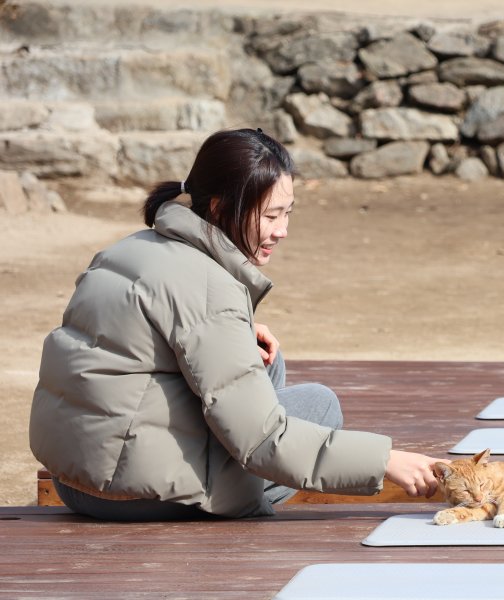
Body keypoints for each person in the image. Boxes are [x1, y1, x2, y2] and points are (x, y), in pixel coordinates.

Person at [30, 128, 443, 521]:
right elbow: (263, 441)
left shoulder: (133, 247)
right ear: (220, 208)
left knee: (267, 363)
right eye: (270, 216)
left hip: (75, 476)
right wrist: (385, 461)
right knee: (320, 405)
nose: (282, 231)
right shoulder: (210, 289)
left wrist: (238, 333)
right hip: (130, 494)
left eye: (288, 213)